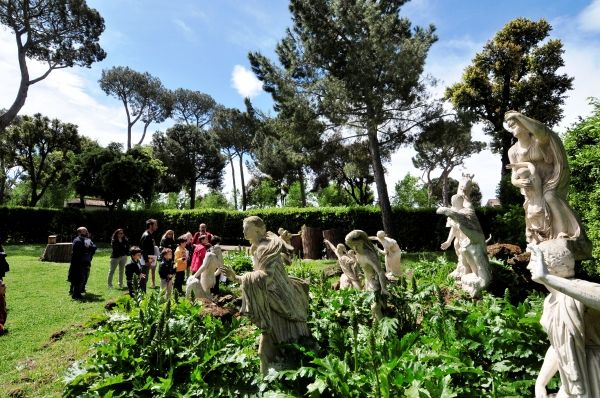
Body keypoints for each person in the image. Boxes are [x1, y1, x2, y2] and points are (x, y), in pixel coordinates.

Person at [220, 216, 311, 374]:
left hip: (278, 298)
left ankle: (286, 373)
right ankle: (273, 374)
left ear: (256, 230)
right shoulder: (257, 247)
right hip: (272, 297)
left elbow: (265, 278)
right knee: (270, 342)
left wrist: (237, 278)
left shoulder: (263, 248)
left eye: (246, 228)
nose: (243, 231)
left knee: (280, 340)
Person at [505, 111, 592, 259]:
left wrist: (519, 116)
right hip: (531, 185)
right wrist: (516, 182)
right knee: (533, 212)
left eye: (515, 124)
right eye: (510, 125)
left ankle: (563, 232)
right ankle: (540, 238)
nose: (512, 127)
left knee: (550, 197)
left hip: (551, 178)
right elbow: (514, 174)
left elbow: (542, 132)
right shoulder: (512, 151)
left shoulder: (538, 141)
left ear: (525, 126)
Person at [527, 237, 600, 398]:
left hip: (595, 368)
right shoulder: (550, 301)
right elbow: (558, 345)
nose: (528, 266)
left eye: (534, 261)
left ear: (551, 266)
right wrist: (541, 382)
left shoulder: (579, 291)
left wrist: (547, 278)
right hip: (572, 373)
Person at [345, 230, 388, 319]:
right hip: (367, 282)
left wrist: (383, 288)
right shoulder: (358, 253)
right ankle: (376, 323)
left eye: (357, 245)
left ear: (362, 243)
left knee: (375, 307)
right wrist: (353, 259)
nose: (355, 248)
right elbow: (360, 264)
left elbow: (380, 272)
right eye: (353, 246)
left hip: (375, 282)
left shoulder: (369, 256)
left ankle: (382, 327)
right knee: (372, 309)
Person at [68, 227, 97, 300]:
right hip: (78, 263)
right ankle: (75, 294)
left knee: (84, 277)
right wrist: (88, 248)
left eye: (86, 230)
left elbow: (94, 247)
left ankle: (79, 291)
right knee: (78, 278)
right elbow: (78, 251)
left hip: (86, 262)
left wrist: (88, 247)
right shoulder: (77, 240)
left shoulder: (88, 240)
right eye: (84, 231)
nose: (86, 232)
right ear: (79, 233)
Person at [140, 219, 158, 289]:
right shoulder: (147, 235)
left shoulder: (149, 235)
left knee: (145, 279)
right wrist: (147, 261)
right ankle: (141, 296)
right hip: (145, 260)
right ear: (150, 226)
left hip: (149, 259)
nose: (157, 226)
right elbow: (144, 250)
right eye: (155, 225)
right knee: (144, 279)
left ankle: (142, 294)